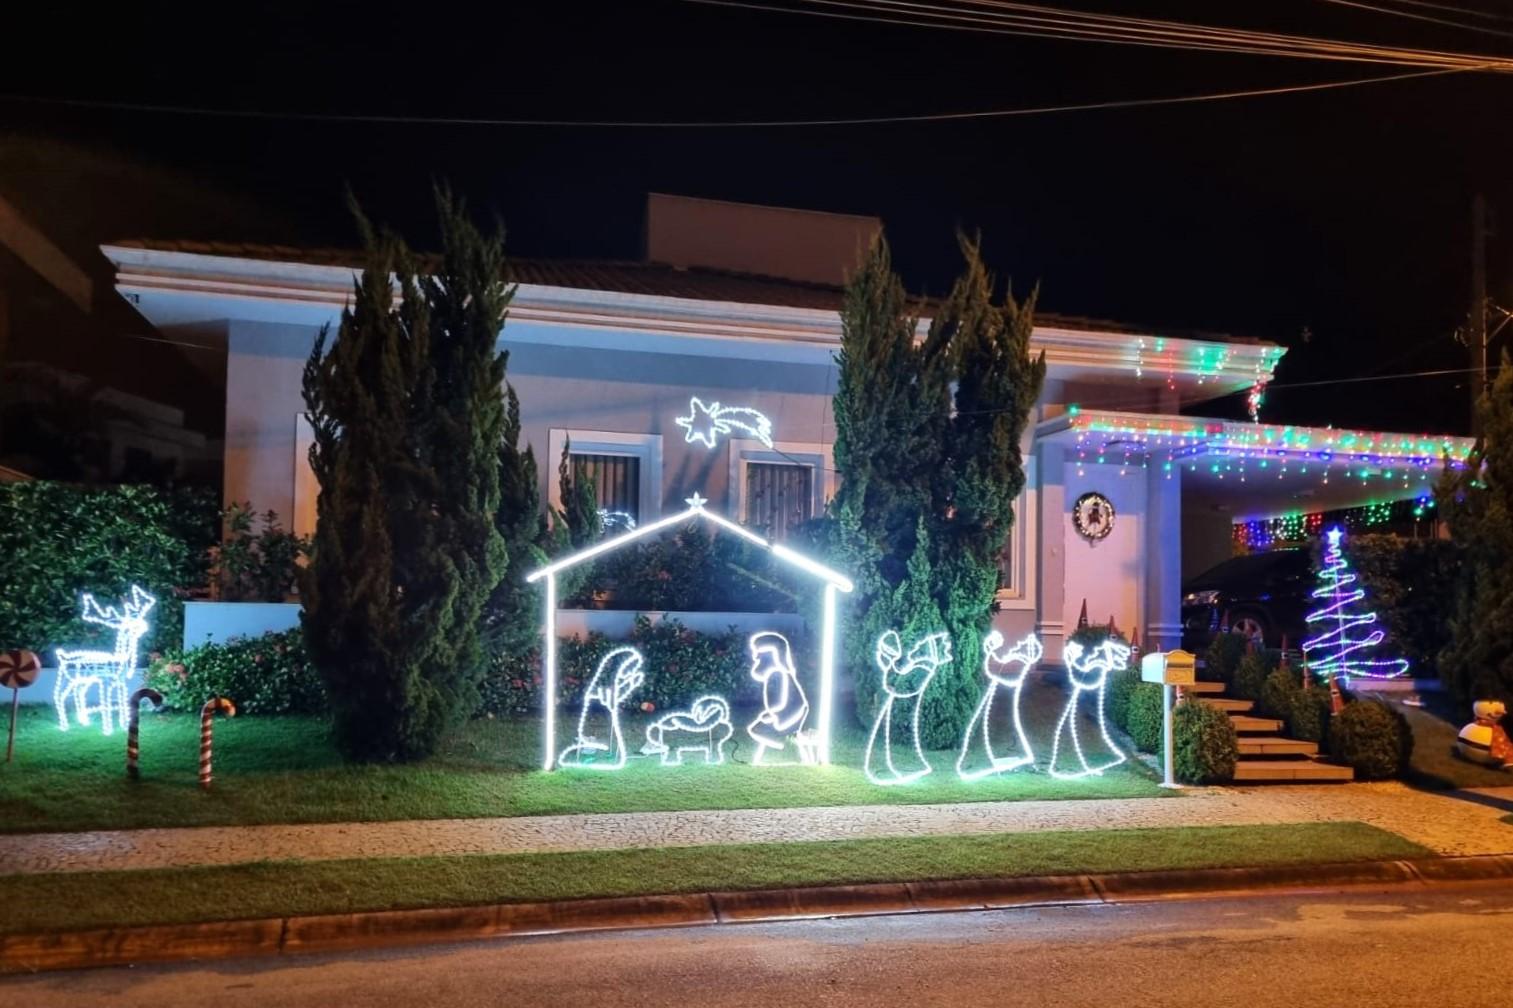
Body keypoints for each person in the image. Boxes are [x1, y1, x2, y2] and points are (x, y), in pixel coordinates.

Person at [746, 632, 810, 765]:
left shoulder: (778, 673)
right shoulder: (776, 673)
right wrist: (769, 713)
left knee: (755, 729)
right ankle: (781, 745)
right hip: (787, 712)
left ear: (769, 654)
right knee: (756, 727)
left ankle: (781, 744)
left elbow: (781, 703)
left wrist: (771, 714)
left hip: (790, 715)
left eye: (758, 654)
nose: (755, 657)